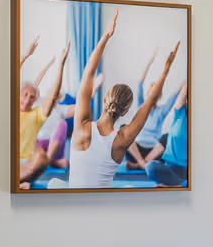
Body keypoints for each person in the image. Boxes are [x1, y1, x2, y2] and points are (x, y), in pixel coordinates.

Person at [66, 11, 181, 190]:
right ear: (126, 112)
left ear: (105, 99)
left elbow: (88, 73)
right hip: (102, 207)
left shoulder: (82, 126)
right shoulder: (123, 139)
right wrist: (166, 70)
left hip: (71, 200)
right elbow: (149, 102)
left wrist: (106, 36)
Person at [16, 40, 72, 187]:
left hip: (28, 161)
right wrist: (25, 56)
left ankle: (23, 181)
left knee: (40, 157)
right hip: (10, 160)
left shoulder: (37, 114)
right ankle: (20, 181)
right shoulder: (11, 108)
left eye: (32, 97)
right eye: (25, 95)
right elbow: (11, 78)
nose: (27, 99)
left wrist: (61, 65)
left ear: (36, 100)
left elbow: (53, 95)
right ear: (20, 94)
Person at [142, 82, 188, 187]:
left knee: (165, 137)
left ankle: (179, 185)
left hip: (185, 169)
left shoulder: (162, 110)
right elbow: (185, 87)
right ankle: (180, 184)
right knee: (151, 166)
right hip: (169, 166)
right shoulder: (180, 113)